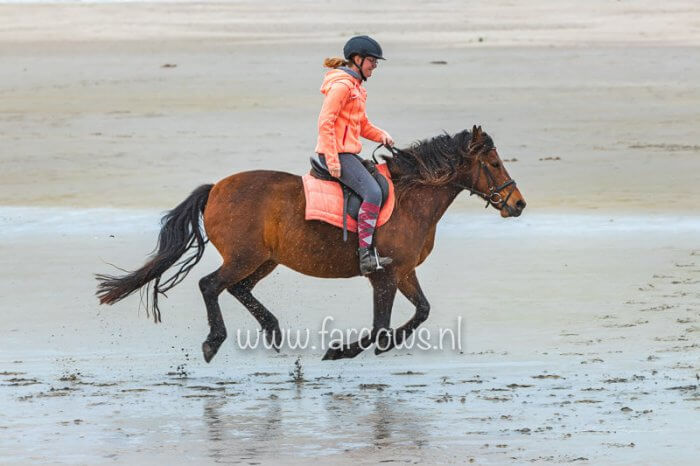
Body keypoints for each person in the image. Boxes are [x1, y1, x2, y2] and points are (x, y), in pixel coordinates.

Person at [314, 35, 395, 275]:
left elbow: (361, 125)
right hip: (337, 154)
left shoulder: (356, 88)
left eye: (375, 62)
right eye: (372, 61)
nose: (375, 66)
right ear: (357, 60)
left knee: (380, 184)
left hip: (346, 153)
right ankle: (365, 256)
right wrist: (332, 160)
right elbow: (325, 123)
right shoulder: (342, 87)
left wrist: (381, 135)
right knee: (372, 192)